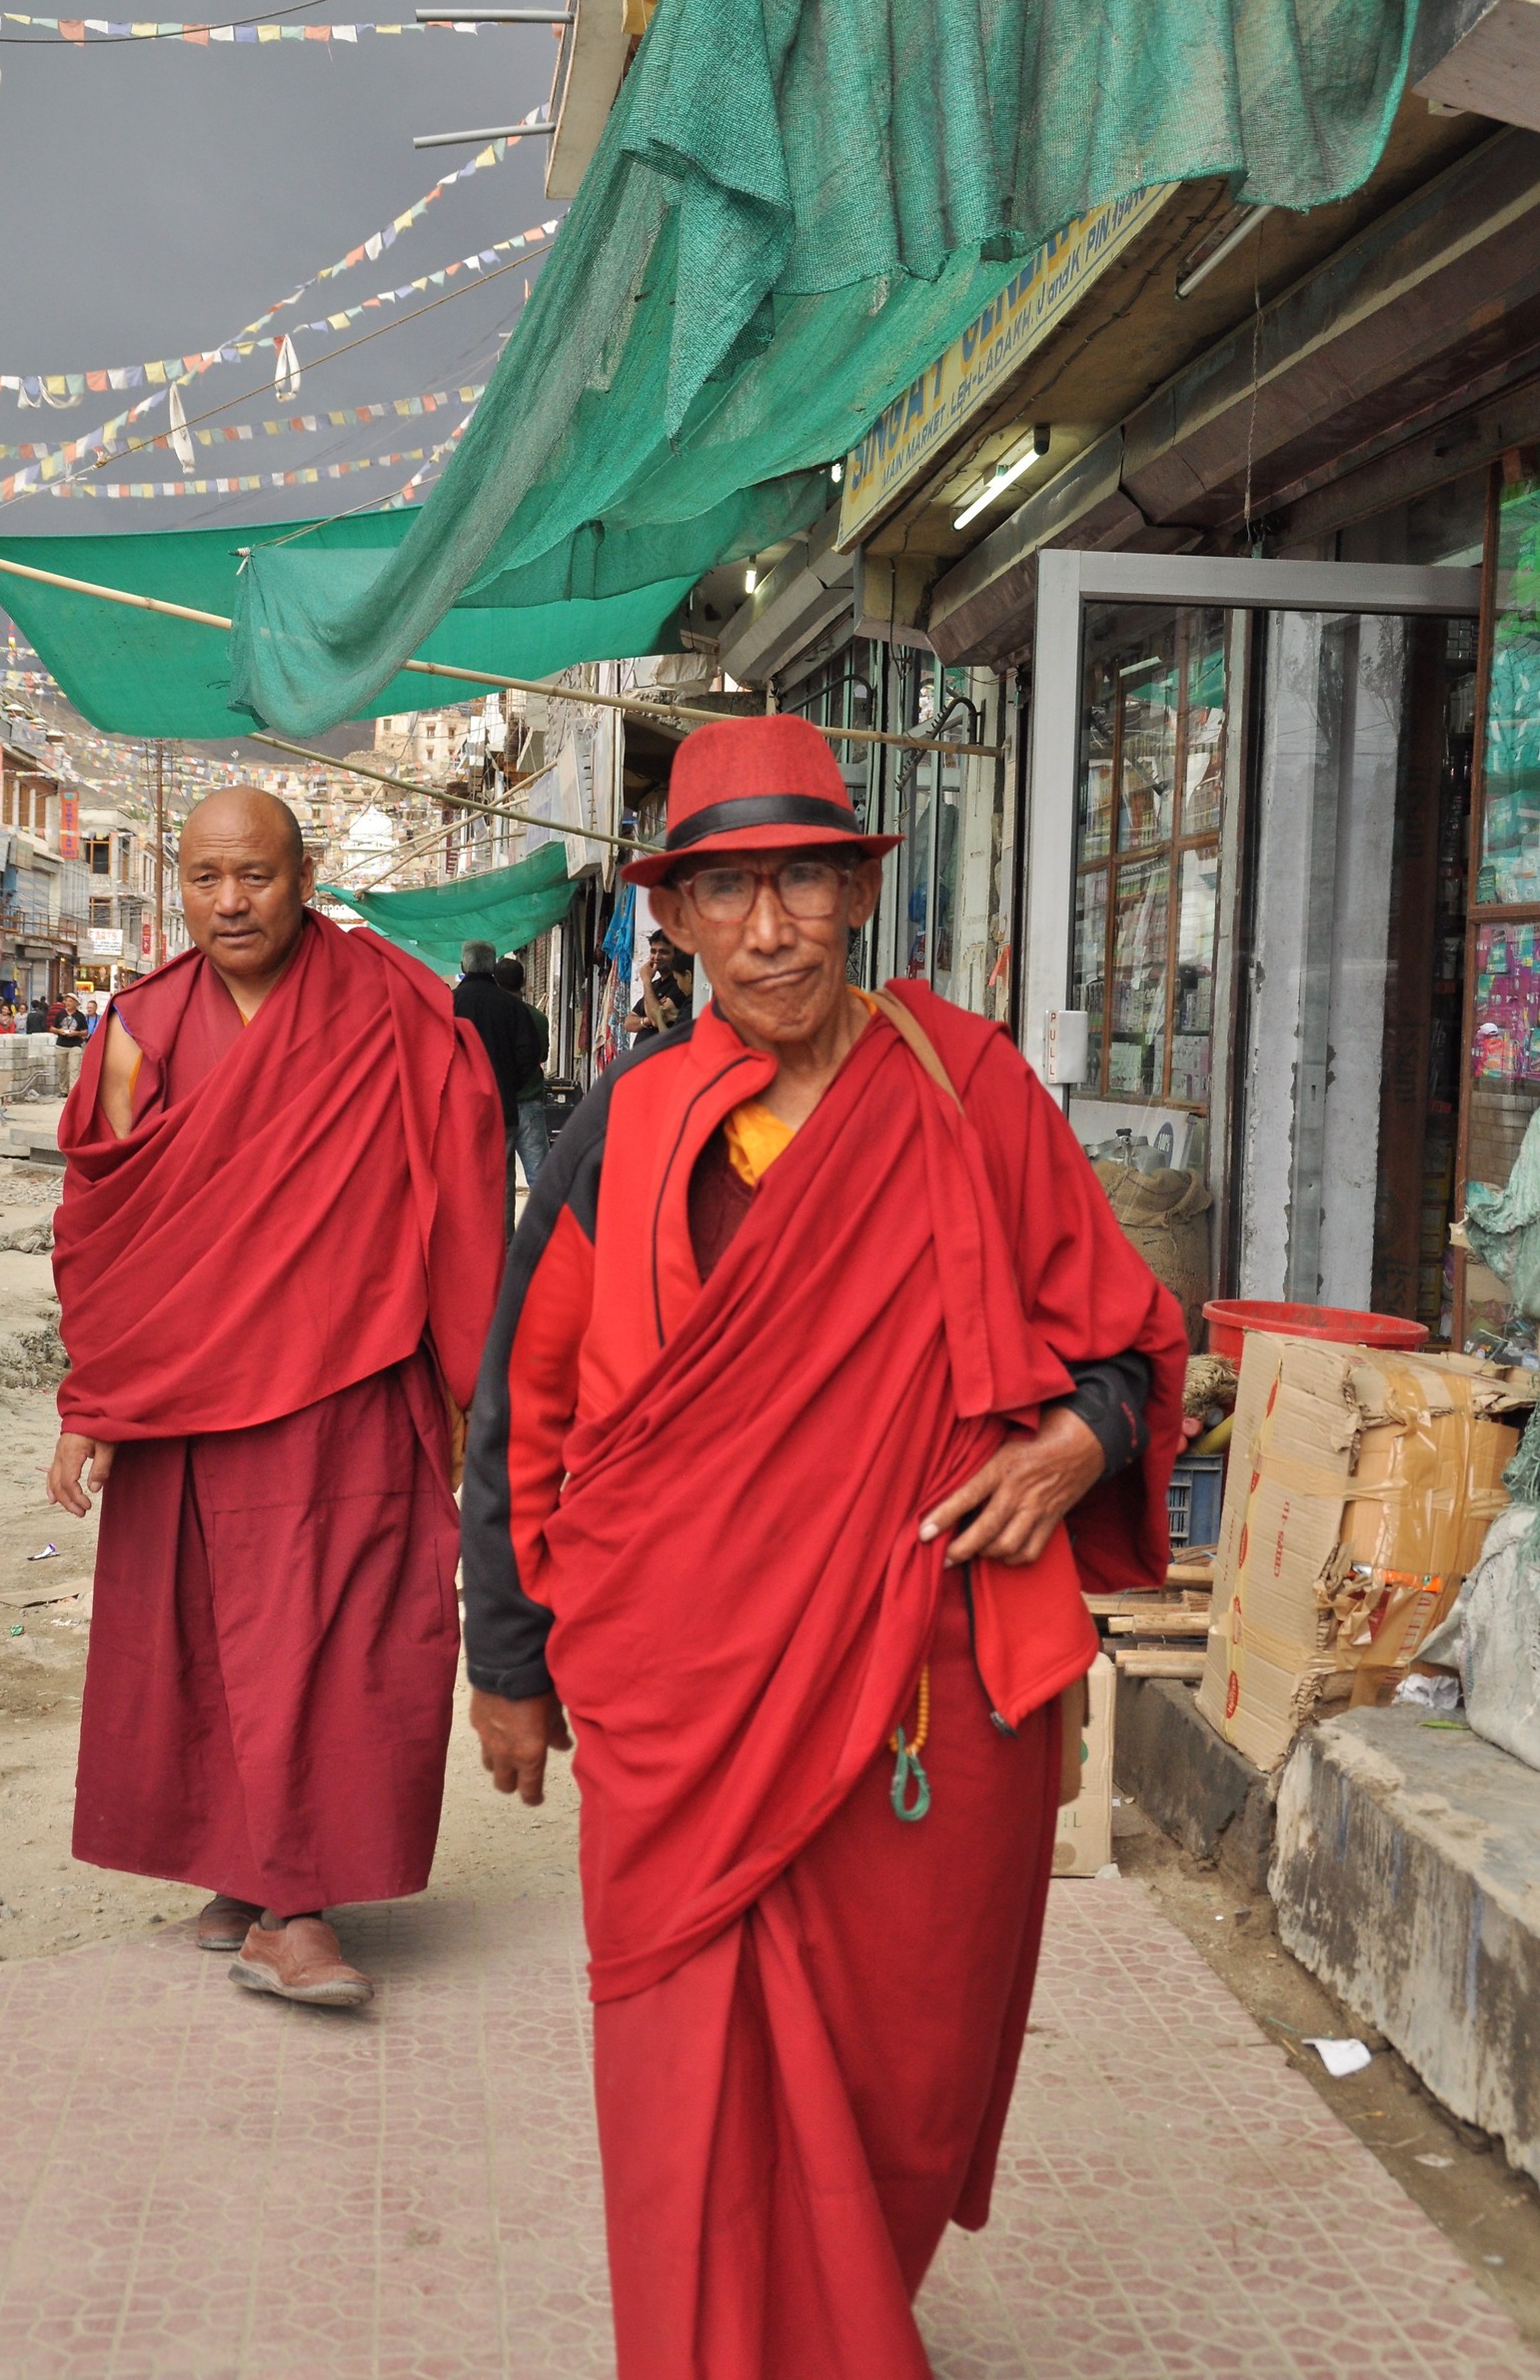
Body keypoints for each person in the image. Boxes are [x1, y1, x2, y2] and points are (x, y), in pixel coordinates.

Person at [464, 715, 1186, 2380]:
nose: (769, 929)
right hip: (681, 1697)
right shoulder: (629, 1124)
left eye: (801, 881)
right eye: (728, 893)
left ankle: (848, 2315)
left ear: (858, 893)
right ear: (680, 918)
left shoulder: (967, 1089)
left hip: (930, 1698)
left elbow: (1126, 1342)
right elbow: (527, 1394)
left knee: (906, 2084)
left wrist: (1083, 1436)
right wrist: (506, 1662)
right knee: (692, 2087)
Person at [46, 788, 505, 2009]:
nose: (229, 901)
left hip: (350, 1384)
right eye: (204, 878)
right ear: (178, 885)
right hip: (191, 1399)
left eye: (253, 875)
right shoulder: (142, 1027)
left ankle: (293, 1903)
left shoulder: (391, 1007)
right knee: (204, 1636)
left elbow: (461, 1187)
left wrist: (473, 1381)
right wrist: (95, 1398)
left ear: (304, 878)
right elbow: (104, 1228)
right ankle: (247, 1877)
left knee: (337, 1640)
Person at [452, 938, 544, 1239]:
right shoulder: (511, 1006)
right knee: (511, 1177)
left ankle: (480, 1245)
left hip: (463, 1109)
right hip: (504, 1107)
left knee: (474, 1181)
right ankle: (516, 1247)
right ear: (491, 966)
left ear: (464, 966)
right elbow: (529, 1055)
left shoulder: (450, 1004)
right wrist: (506, 1083)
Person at [496, 956, 552, 1195]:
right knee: (541, 1176)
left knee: (503, 1182)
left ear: (495, 981)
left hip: (501, 1105)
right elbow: (543, 1055)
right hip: (530, 1104)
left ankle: (506, 1234)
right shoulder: (538, 1017)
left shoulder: (493, 1017)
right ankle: (550, 1231)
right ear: (524, 981)